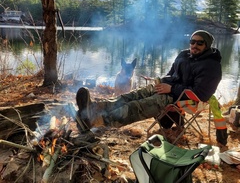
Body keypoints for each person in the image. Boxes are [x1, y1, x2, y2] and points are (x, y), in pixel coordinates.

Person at [75, 30, 228, 145]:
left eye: (199, 43)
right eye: (192, 41)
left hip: (182, 97)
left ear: (207, 45)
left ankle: (96, 121)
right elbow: (171, 73)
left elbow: (201, 94)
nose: (194, 45)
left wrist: (171, 89)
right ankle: (93, 108)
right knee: (130, 96)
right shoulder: (183, 55)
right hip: (168, 89)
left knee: (135, 106)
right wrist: (161, 81)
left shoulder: (211, 66)